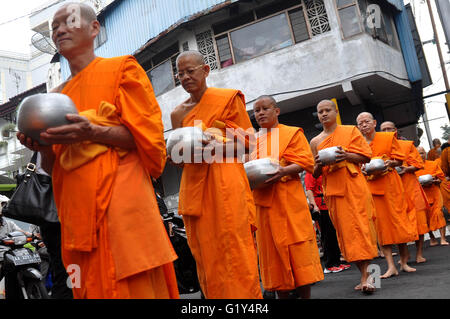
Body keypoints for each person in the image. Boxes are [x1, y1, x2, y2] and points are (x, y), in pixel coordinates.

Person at [17, 2, 178, 299]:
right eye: (54, 27)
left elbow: (149, 139)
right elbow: (56, 170)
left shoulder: (121, 69)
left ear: (94, 28)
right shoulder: (54, 99)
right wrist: (43, 149)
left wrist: (94, 131)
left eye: (69, 22)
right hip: (77, 214)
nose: (60, 30)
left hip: (122, 206)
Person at [169, 50, 261, 299]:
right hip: (195, 192)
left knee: (235, 250)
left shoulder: (227, 99)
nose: (185, 77)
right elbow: (178, 161)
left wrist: (216, 148)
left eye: (190, 71)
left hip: (226, 185)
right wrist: (179, 154)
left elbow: (248, 144)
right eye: (180, 73)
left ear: (205, 70)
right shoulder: (178, 114)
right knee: (207, 255)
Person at [249, 95, 323, 299]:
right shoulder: (253, 141)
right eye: (256, 110)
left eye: (265, 108)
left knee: (298, 252)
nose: (260, 113)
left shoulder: (291, 133)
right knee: (272, 255)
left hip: (289, 202)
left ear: (277, 111)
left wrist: (283, 171)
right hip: (264, 206)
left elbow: (306, 162)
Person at [309, 100, 378, 294]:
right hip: (334, 192)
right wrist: (317, 164)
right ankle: (365, 275)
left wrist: (346, 156)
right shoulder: (315, 142)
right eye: (320, 111)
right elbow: (314, 173)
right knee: (347, 235)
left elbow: (366, 157)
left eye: (327, 110)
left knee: (363, 228)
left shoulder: (350, 131)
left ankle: (368, 276)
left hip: (354, 186)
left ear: (335, 112)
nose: (324, 114)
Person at [356, 112, 418, 279]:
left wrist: (391, 162)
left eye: (367, 121)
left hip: (391, 185)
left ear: (374, 122)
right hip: (372, 188)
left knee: (398, 223)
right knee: (381, 228)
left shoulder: (387, 137)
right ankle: (391, 266)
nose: (364, 125)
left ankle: (404, 261)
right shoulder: (358, 144)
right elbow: (357, 166)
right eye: (360, 123)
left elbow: (399, 159)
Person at [380, 121, 429, 263]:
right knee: (399, 225)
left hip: (410, 187)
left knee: (419, 224)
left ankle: (419, 254)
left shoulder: (407, 145)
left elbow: (418, 164)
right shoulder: (380, 147)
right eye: (384, 129)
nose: (387, 131)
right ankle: (405, 255)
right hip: (392, 191)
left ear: (396, 130)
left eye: (389, 128)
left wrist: (407, 169)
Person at [304, 172, 348, 273]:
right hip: (320, 206)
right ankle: (329, 264)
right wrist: (314, 205)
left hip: (329, 204)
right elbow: (309, 190)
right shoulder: (311, 172)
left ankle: (336, 262)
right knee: (326, 235)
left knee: (333, 234)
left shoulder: (325, 170)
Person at [416, 146, 449, 246]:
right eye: (419, 153)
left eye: (422, 153)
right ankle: (432, 238)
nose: (421, 155)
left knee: (438, 213)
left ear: (425, 153)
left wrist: (435, 181)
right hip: (422, 195)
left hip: (434, 192)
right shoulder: (413, 167)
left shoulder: (433, 164)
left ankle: (443, 238)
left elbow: (441, 178)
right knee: (426, 217)